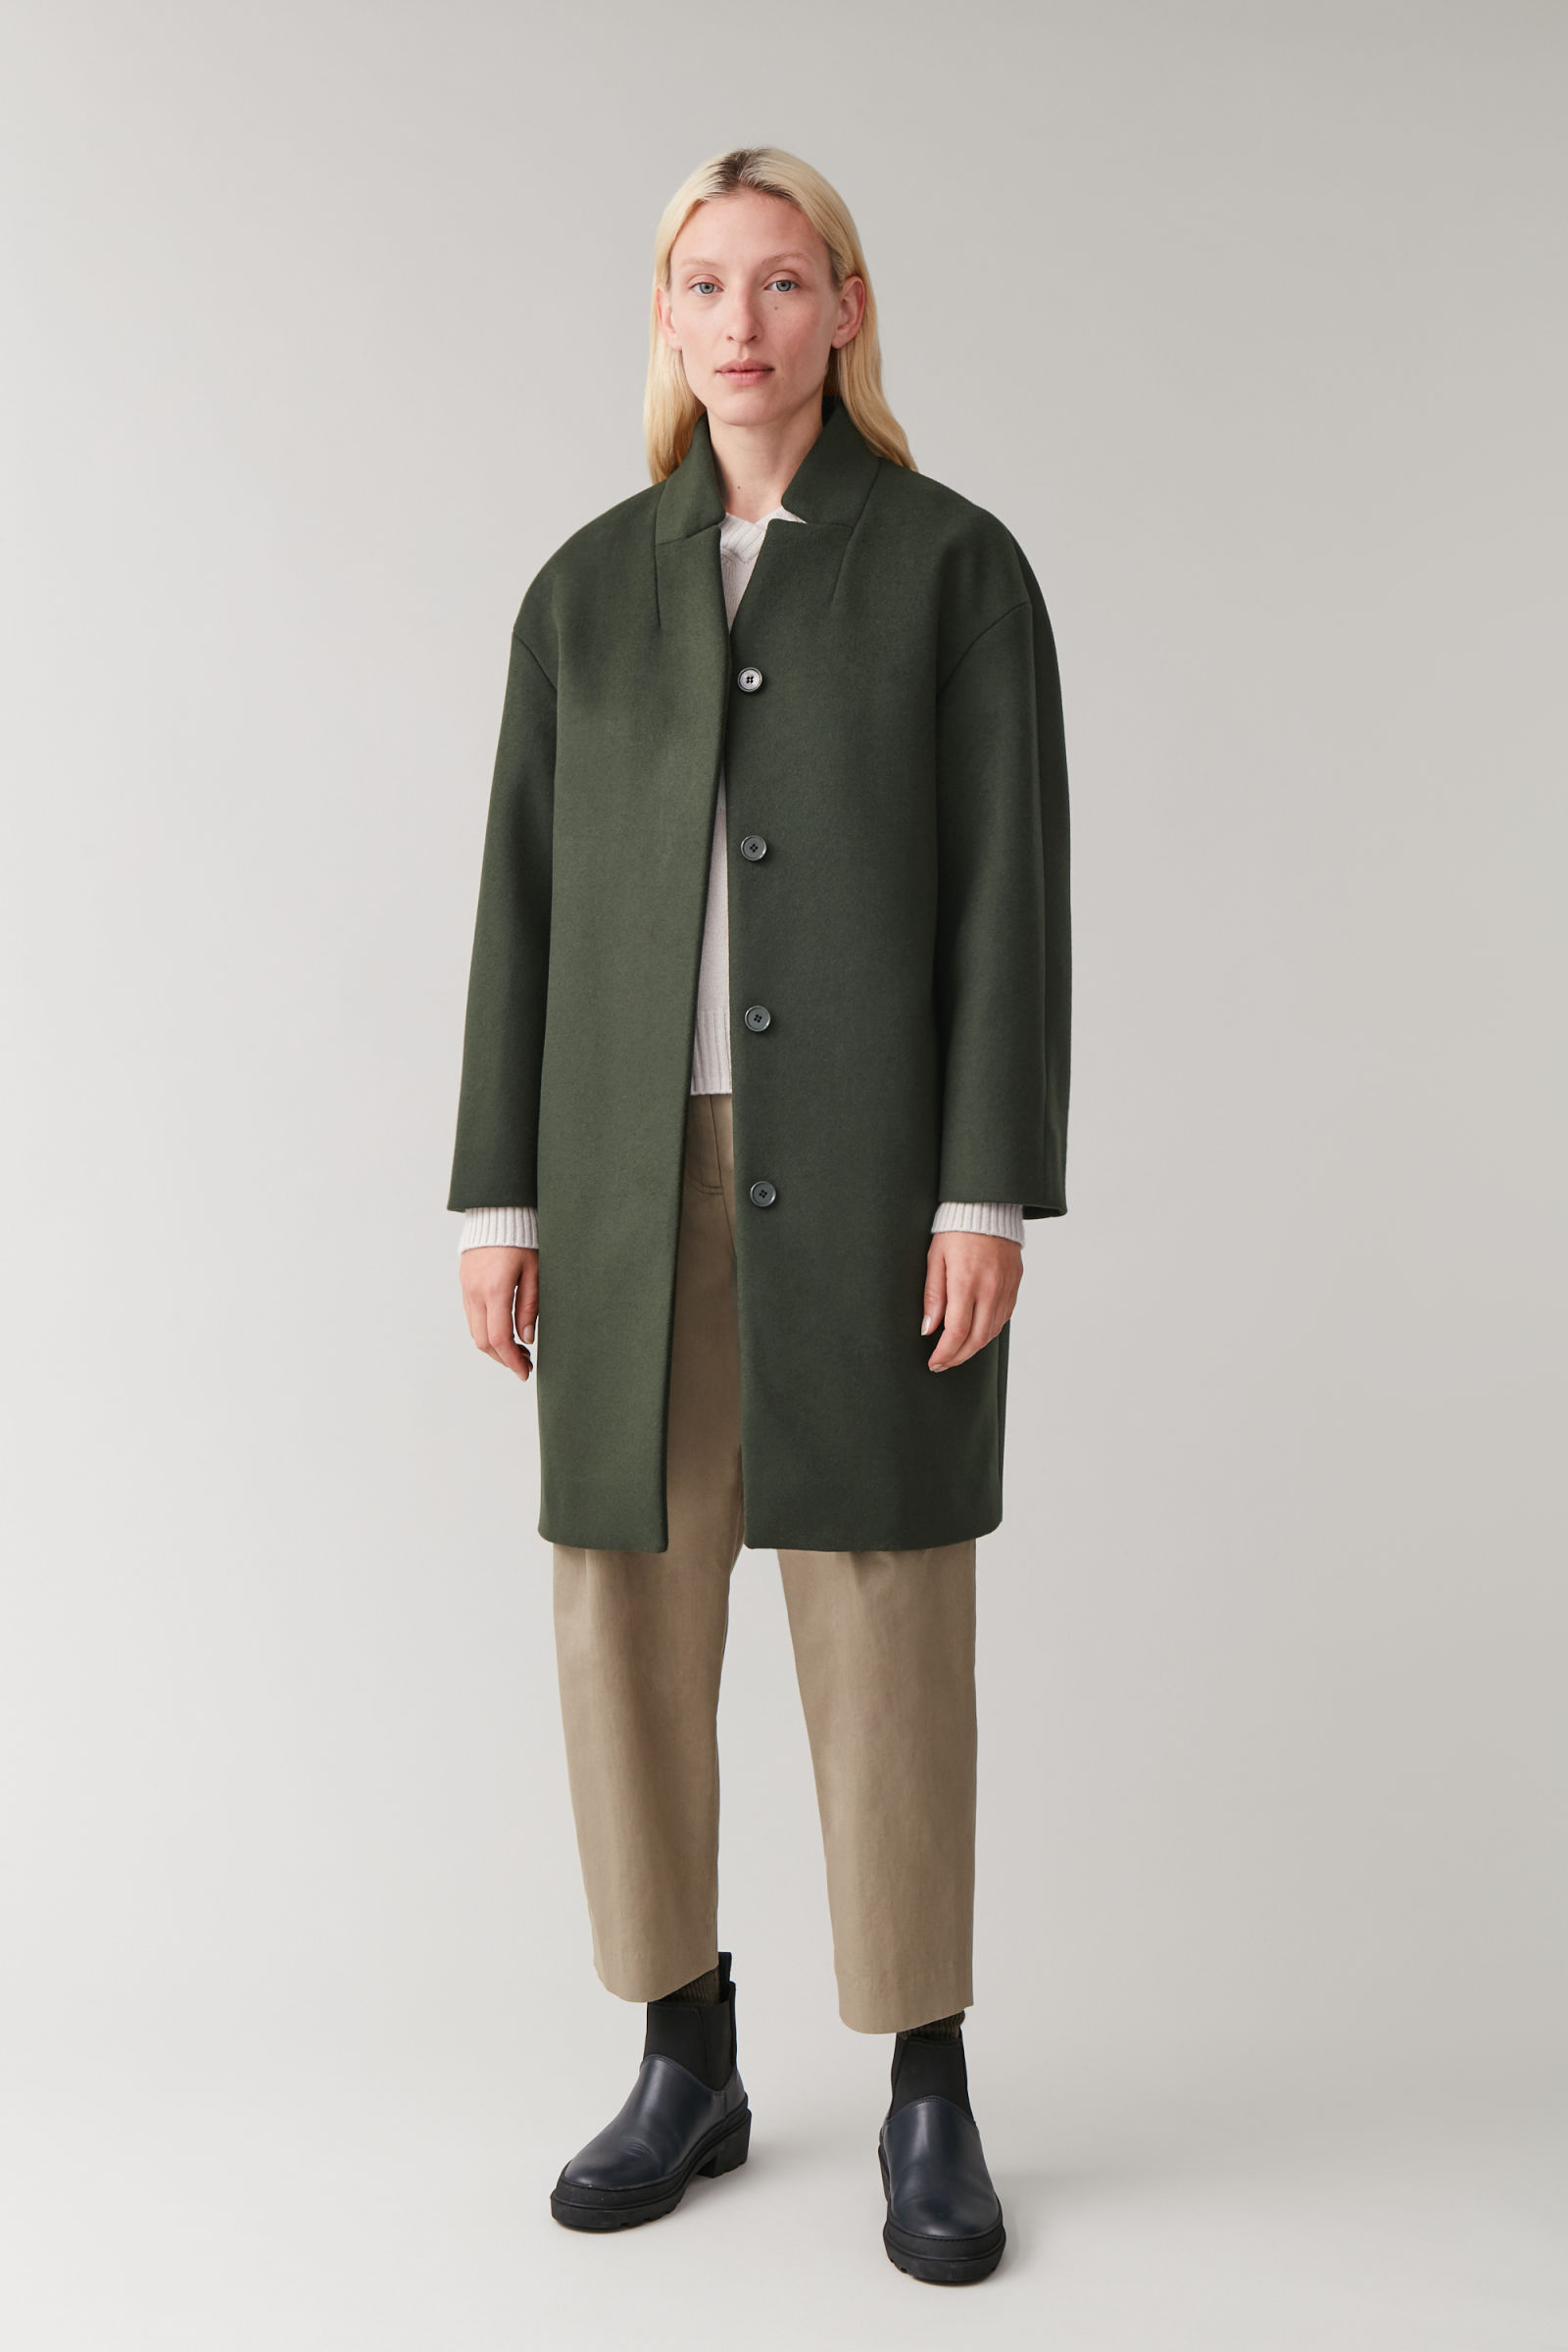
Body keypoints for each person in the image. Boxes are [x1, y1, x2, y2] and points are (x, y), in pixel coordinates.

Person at [449, 144, 1070, 2285]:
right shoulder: (585, 593)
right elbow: (519, 906)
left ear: (845, 309)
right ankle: (681, 2054)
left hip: (877, 1182)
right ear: (665, 316)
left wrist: (985, 1190)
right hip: (625, 1184)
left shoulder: (951, 569)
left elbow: (1009, 898)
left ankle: (925, 2083)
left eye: (783, 281)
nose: (743, 321)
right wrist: (500, 1201)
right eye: (705, 284)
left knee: (888, 1604)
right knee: (622, 1606)